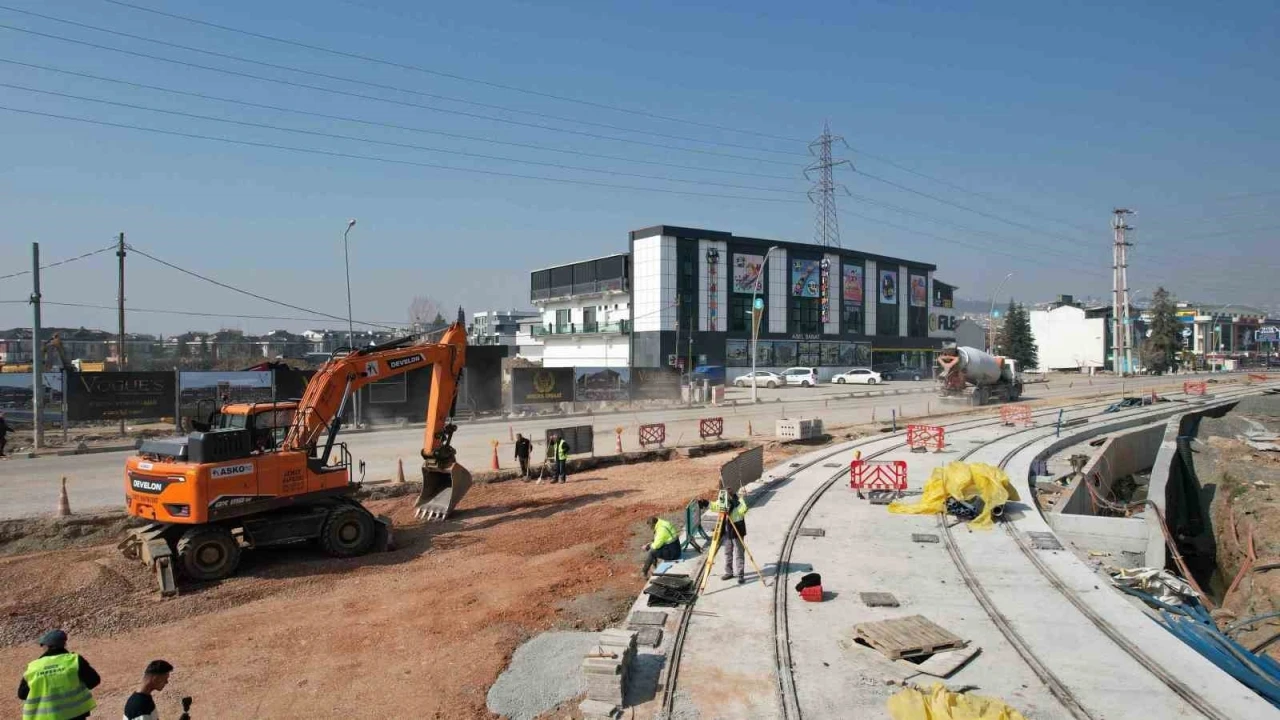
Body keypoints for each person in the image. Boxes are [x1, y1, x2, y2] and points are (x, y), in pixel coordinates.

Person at [17, 629, 100, 720]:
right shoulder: (74, 660)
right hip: (75, 715)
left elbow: (22, 694)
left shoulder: (34, 667)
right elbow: (94, 681)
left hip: (45, 717)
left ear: (47, 646)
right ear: (64, 644)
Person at [710, 491, 749, 584]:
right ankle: (729, 572)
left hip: (737, 530)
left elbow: (744, 509)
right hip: (727, 532)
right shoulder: (723, 500)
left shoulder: (739, 502)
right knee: (727, 552)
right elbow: (716, 506)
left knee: (739, 553)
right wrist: (706, 503)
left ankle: (740, 575)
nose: (724, 505)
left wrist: (736, 503)